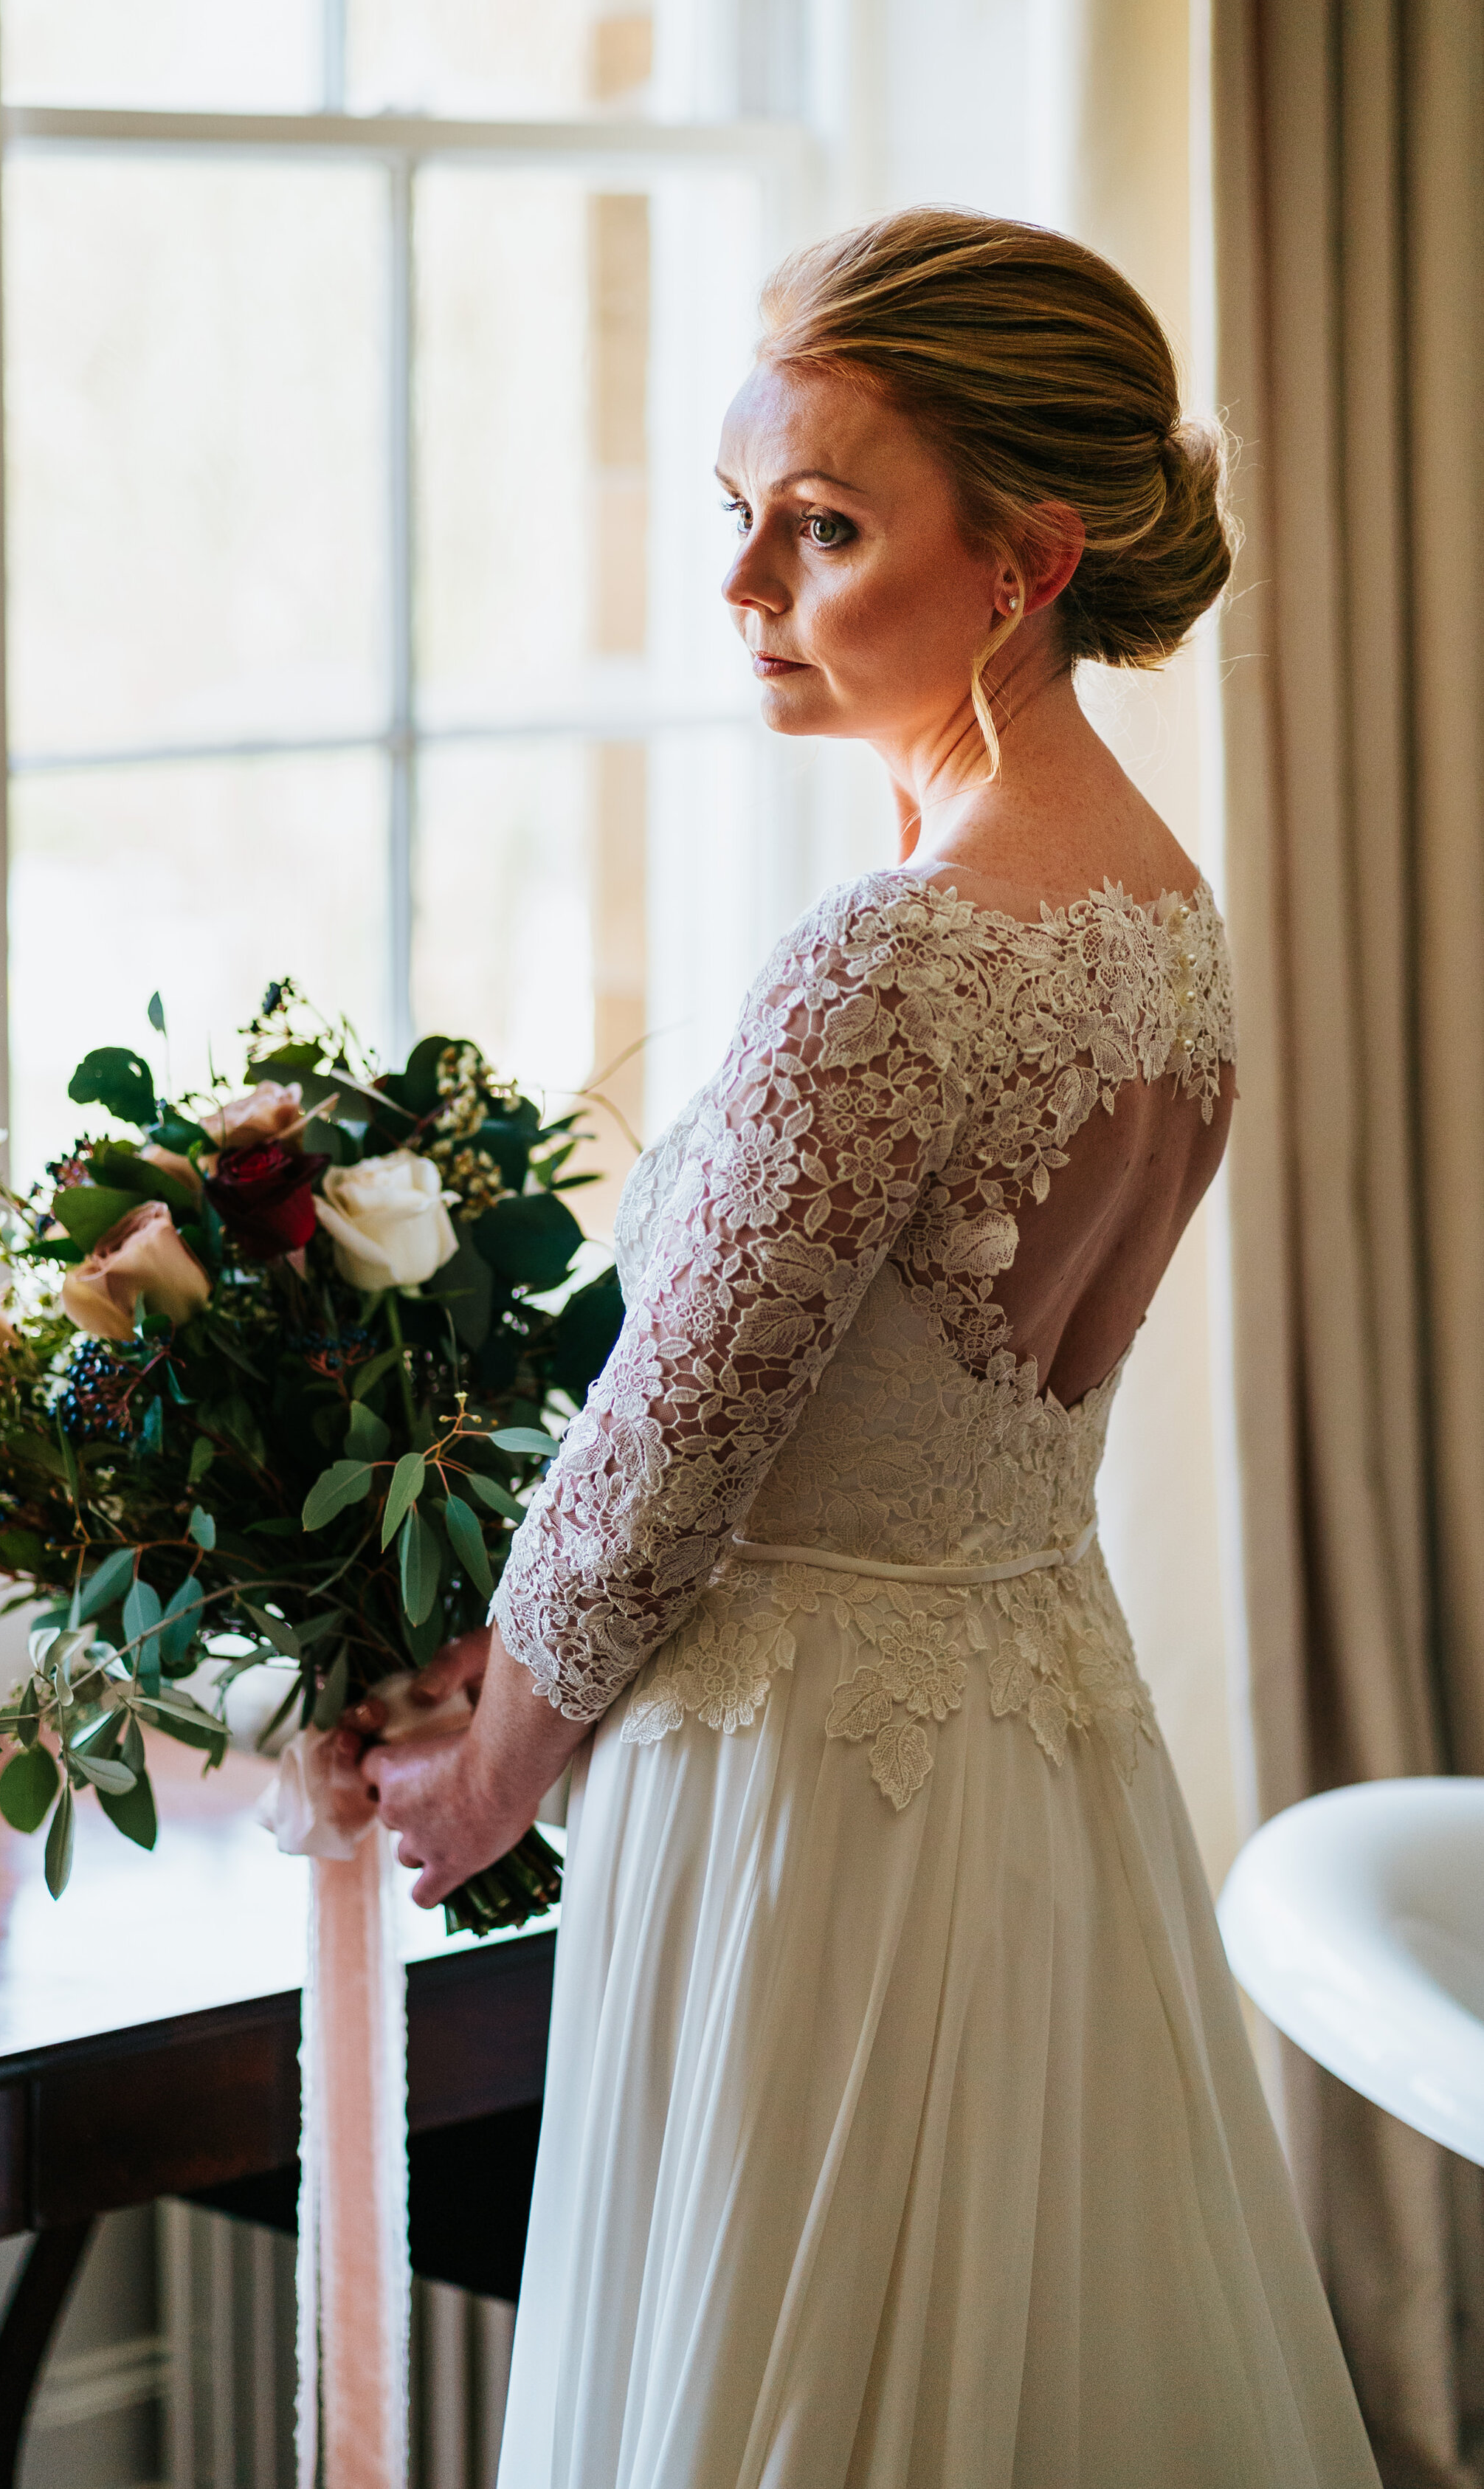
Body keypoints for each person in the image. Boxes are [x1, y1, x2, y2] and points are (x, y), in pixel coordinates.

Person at [350, 209, 1381, 2488]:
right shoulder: (1159, 906)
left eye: (819, 529)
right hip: (1038, 1749)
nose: (745, 590)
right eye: (742, 518)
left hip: (802, 1790)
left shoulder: (888, 958)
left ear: (1020, 561)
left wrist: (490, 1758)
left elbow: (671, 1439)